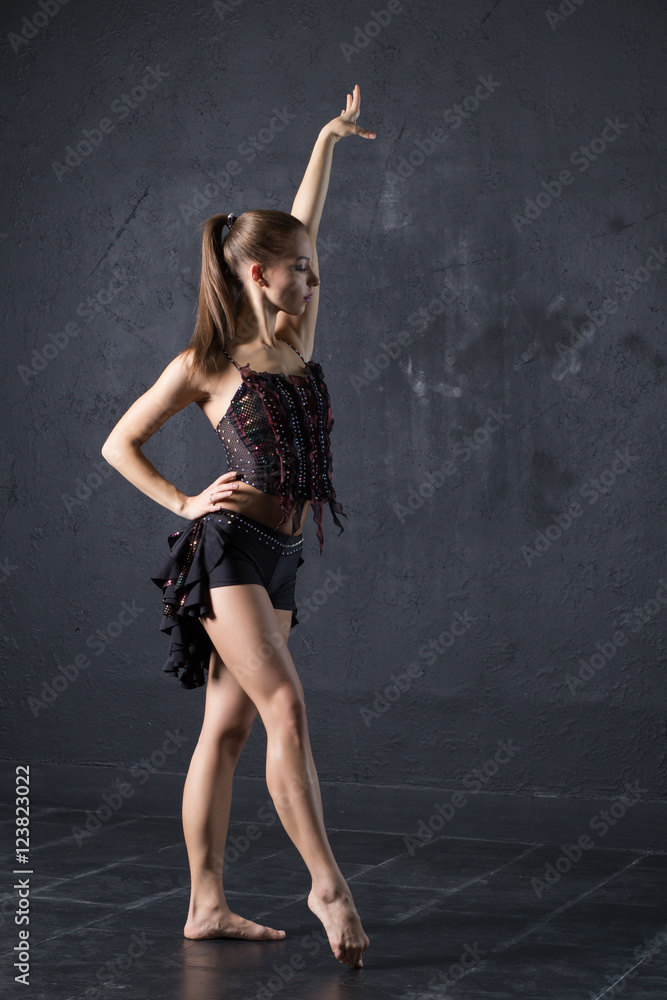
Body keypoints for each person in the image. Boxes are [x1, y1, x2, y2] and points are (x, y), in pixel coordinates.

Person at [101, 84, 375, 970]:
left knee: (228, 730)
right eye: (296, 266)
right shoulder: (207, 364)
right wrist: (184, 502)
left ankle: (204, 906)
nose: (311, 273)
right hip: (227, 553)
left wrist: (325, 138)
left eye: (312, 264)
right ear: (257, 273)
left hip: (283, 555)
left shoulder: (296, 339)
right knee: (286, 707)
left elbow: (307, 221)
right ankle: (326, 883)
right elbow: (120, 443)